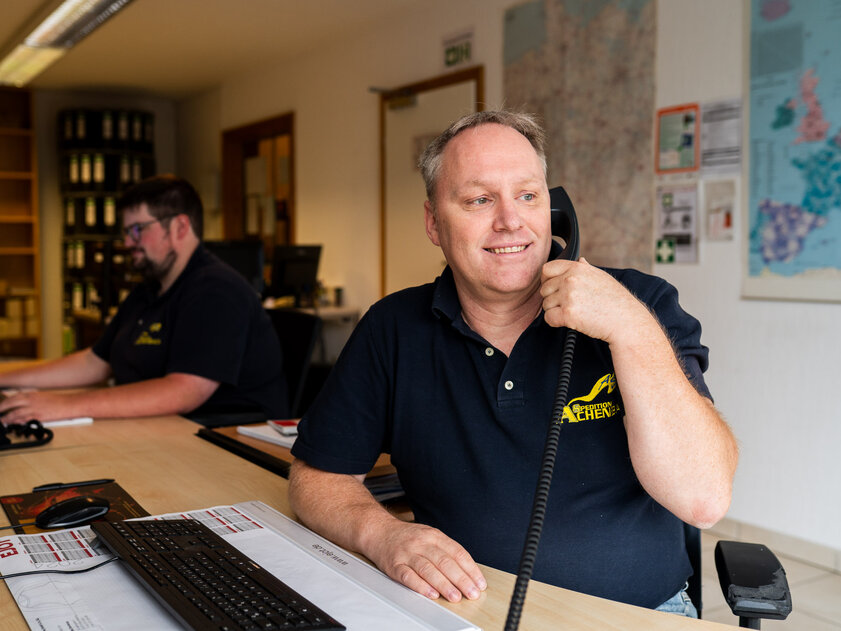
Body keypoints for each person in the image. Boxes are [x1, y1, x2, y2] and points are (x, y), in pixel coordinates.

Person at [287, 111, 738, 615]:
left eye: (527, 195)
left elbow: (704, 499)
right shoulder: (392, 328)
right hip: (463, 611)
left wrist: (630, 329)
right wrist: (383, 534)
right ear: (433, 223)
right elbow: (315, 478)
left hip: (639, 614)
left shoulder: (640, 303)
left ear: (554, 210)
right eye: (479, 200)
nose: (510, 220)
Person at [0, 176, 287, 424]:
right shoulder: (150, 288)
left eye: (137, 229)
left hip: (219, 440)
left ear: (180, 227)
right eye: (127, 232)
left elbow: (184, 391)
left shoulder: (217, 291)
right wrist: (6, 376)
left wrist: (65, 405)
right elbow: (95, 362)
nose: (127, 242)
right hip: (165, 429)